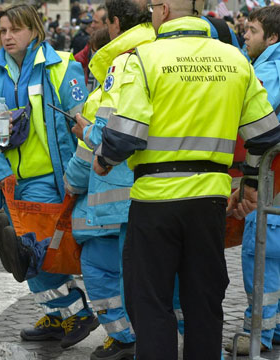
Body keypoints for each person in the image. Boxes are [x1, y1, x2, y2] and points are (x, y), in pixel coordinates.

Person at [94, 0, 280, 358]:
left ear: (163, 10)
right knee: (204, 302)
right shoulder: (236, 60)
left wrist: (103, 159)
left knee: (149, 303)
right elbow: (266, 136)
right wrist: (252, 183)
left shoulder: (144, 58)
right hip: (210, 200)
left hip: (154, 201)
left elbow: (126, 134)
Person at [0, 3, 97, 349]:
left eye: (15, 29)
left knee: (34, 253)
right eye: (2, 31)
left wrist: (79, 176)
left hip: (49, 179)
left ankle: (75, 312)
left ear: (34, 30)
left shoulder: (62, 67)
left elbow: (84, 126)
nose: (7, 36)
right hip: (10, 181)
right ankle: (59, 317)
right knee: (21, 255)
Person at [66, 0, 155, 358]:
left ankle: (124, 337)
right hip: (156, 192)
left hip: (111, 199)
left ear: (116, 24)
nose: (94, 27)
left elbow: (100, 140)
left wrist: (72, 181)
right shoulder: (158, 55)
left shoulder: (122, 66)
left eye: (101, 20)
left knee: (103, 272)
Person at [224, 5, 280, 356]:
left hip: (270, 177)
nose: (245, 34)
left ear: (272, 37)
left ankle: (258, 330)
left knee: (262, 252)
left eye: (253, 30)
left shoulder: (270, 69)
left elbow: (260, 119)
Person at [74, 6, 108, 85]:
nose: (92, 25)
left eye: (95, 22)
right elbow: (78, 59)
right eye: (92, 22)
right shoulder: (91, 43)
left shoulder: (115, 46)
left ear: (107, 24)